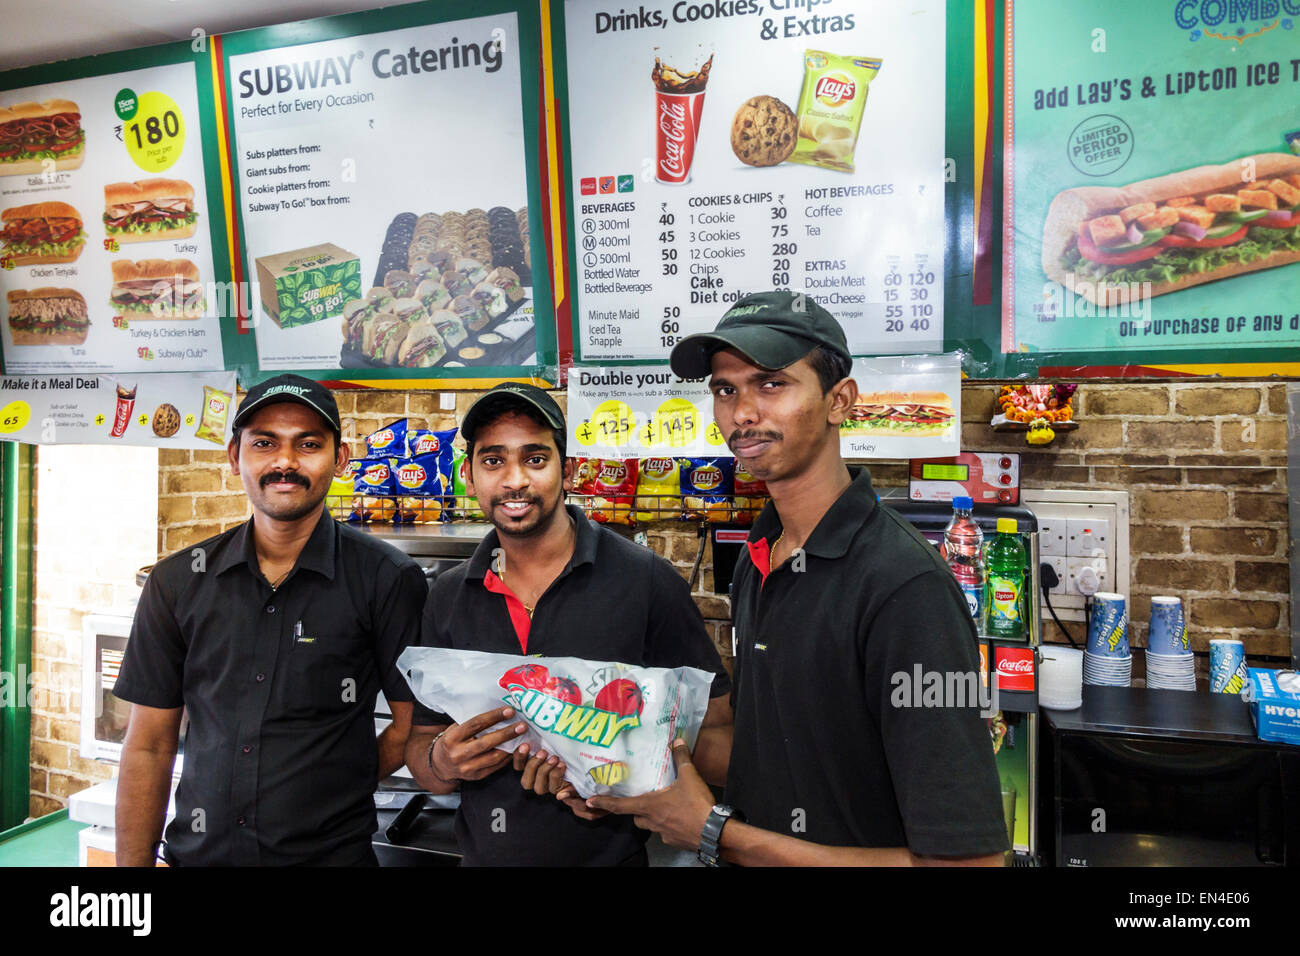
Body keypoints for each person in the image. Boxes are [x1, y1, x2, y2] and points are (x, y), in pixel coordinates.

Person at [588, 291, 1009, 866]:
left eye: (771, 384)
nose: (742, 413)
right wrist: (605, 755)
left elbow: (969, 864)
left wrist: (714, 832)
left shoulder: (905, 586)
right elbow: (773, 757)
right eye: (724, 389)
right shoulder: (763, 556)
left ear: (841, 401)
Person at [402, 383, 732, 866]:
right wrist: (442, 762)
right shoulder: (448, 595)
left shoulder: (646, 582)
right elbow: (420, 749)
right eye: (493, 461)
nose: (514, 480)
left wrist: (618, 779)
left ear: (569, 470)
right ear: (469, 477)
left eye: (535, 458)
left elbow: (718, 732)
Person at [114, 374, 427, 866]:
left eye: (308, 444)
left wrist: (328, 788)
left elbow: (411, 729)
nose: (285, 462)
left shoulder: (387, 579)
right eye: (265, 443)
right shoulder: (177, 582)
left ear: (340, 459)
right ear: (235, 456)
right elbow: (149, 746)